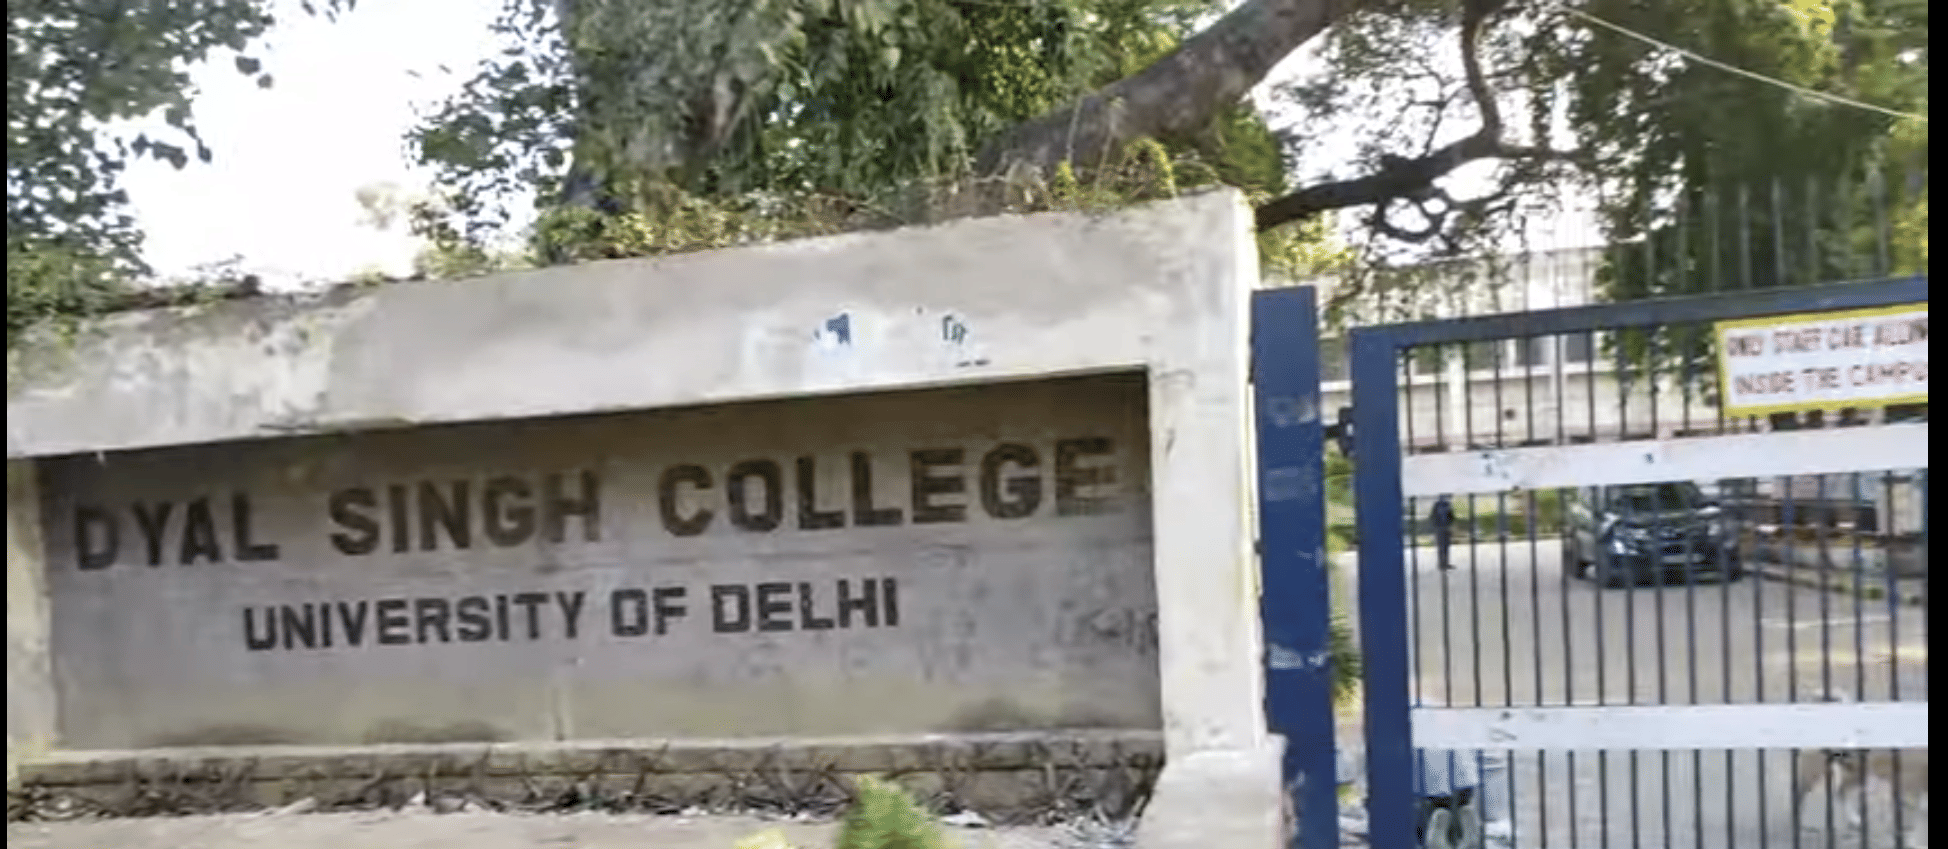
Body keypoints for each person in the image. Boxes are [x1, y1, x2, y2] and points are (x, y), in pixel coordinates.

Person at [1431, 495, 1456, 571]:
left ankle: (1445, 563)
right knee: (1441, 547)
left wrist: (1449, 524)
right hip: (1440, 529)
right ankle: (1441, 564)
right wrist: (1437, 526)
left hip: (1446, 529)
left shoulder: (1447, 505)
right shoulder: (1437, 505)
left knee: (1446, 547)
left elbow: (1451, 516)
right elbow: (1433, 517)